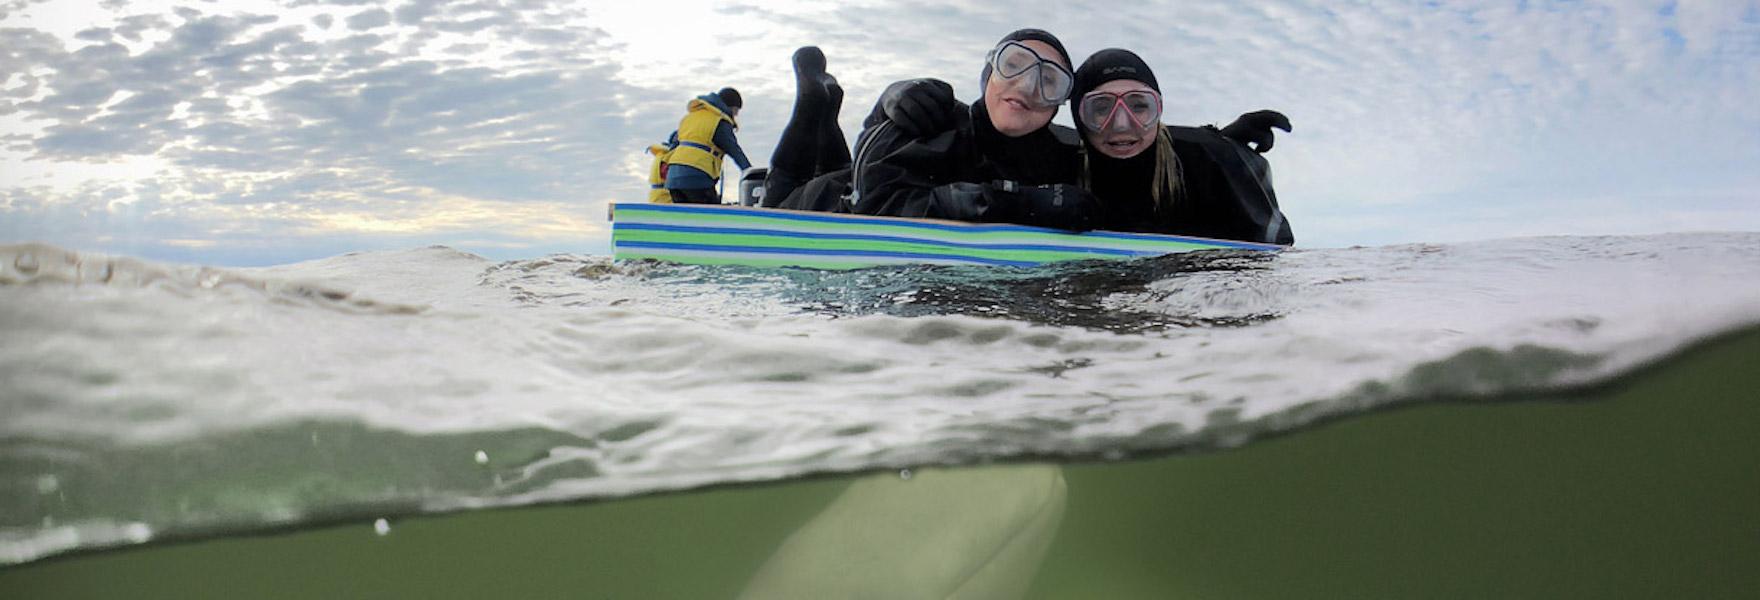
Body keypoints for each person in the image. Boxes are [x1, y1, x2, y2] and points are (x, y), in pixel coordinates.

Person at [764, 29, 1100, 231]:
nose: (1027, 86)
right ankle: (811, 103)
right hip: (823, 202)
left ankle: (827, 108)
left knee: (836, 165)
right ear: (987, 76)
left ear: (1059, 104)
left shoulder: (1062, 154)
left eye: (1049, 81)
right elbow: (875, 205)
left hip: (846, 175)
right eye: (1013, 66)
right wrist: (1020, 203)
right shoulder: (934, 116)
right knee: (780, 192)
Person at [1068, 48, 1295, 244]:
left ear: (1158, 110)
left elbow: (1274, 250)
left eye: (1138, 106)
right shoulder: (1059, 159)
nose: (1121, 125)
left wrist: (1225, 150)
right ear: (1079, 118)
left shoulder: (1210, 159)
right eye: (1100, 108)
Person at [663, 87, 752, 204]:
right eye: (736, 110)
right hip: (697, 176)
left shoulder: (690, 117)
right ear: (730, 107)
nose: (735, 115)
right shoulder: (719, 122)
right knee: (711, 218)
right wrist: (751, 173)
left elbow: (673, 144)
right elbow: (735, 151)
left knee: (686, 219)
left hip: (673, 178)